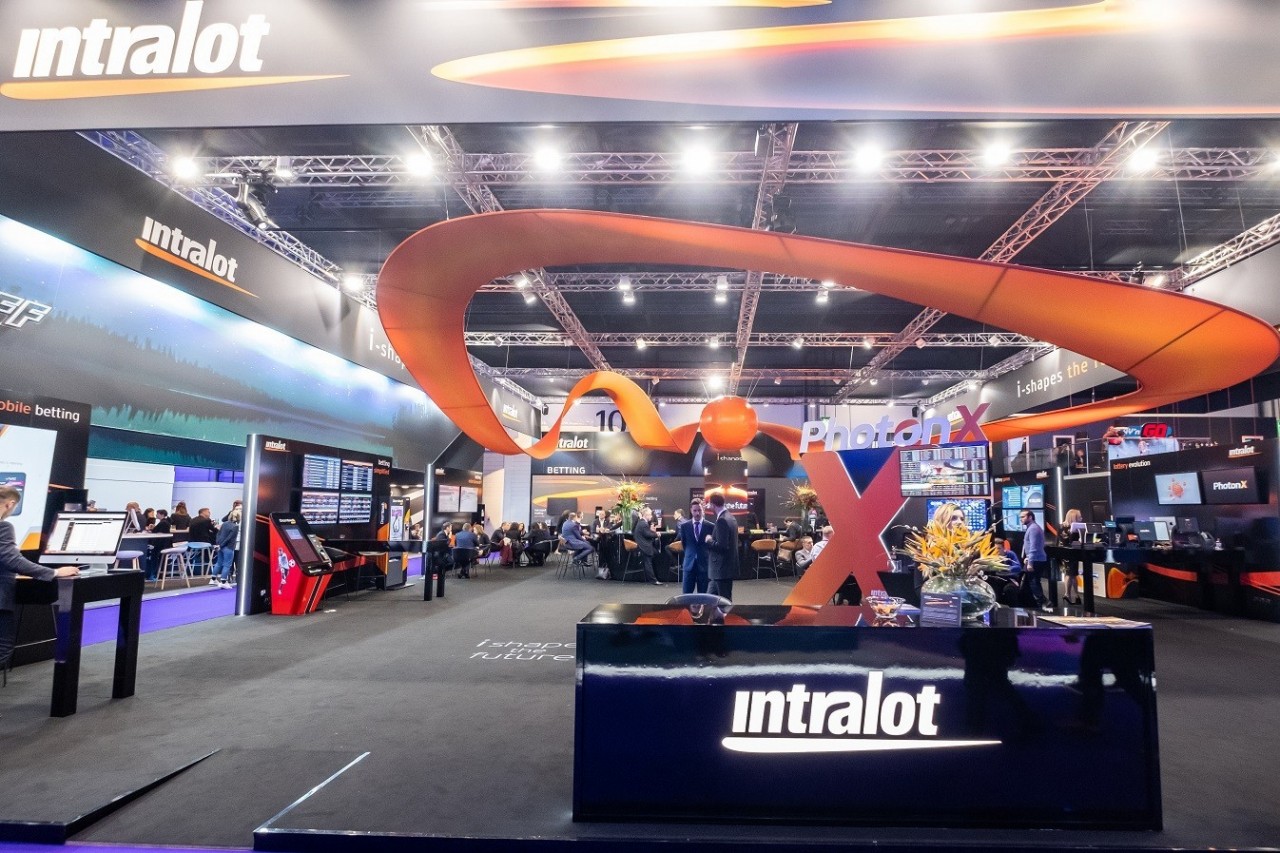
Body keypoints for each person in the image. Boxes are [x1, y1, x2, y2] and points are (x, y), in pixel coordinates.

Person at [1, 486, 79, 672]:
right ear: (10, 504)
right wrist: (54, 572)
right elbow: (12, 560)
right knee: (3, 647)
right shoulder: (4, 527)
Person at [704, 493, 739, 601]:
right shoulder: (731, 517)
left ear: (712, 504)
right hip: (723, 570)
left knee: (724, 602)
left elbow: (722, 546)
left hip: (721, 570)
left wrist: (709, 541)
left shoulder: (722, 520)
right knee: (709, 601)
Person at [678, 498, 711, 594]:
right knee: (686, 595)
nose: (697, 513)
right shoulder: (684, 526)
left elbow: (711, 546)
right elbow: (684, 544)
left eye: (699, 510)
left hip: (704, 565)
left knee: (704, 596)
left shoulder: (710, 526)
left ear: (703, 510)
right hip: (689, 565)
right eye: (695, 510)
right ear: (691, 510)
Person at [1020, 509, 1051, 611]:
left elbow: (1034, 547)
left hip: (1036, 560)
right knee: (1031, 583)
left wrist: (1030, 562)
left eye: (1023, 517)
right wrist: (1028, 558)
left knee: (1034, 582)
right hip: (1035, 559)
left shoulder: (1033, 529)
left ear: (1030, 517)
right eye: (1020, 517)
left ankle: (1043, 602)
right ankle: (1036, 604)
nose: (1021, 519)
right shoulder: (1032, 528)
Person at [631, 506, 662, 586]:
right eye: (650, 515)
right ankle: (653, 580)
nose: (651, 516)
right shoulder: (643, 524)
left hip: (643, 545)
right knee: (648, 562)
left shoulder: (641, 523)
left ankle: (653, 578)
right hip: (644, 547)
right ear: (646, 515)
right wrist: (656, 534)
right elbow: (647, 534)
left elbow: (646, 533)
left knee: (653, 557)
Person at [1059, 508, 1084, 604]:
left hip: (1064, 553)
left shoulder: (1062, 526)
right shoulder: (1073, 529)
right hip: (1070, 554)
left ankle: (1075, 595)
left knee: (1072, 575)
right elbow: (1071, 541)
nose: (1081, 518)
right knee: (1070, 574)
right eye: (1079, 517)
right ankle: (1068, 594)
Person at [211, 508, 240, 589]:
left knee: (219, 563)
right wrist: (222, 545)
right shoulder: (235, 526)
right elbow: (230, 538)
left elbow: (218, 534)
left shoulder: (224, 523)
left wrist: (218, 544)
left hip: (220, 546)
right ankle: (223, 581)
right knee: (227, 565)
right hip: (228, 547)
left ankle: (213, 579)